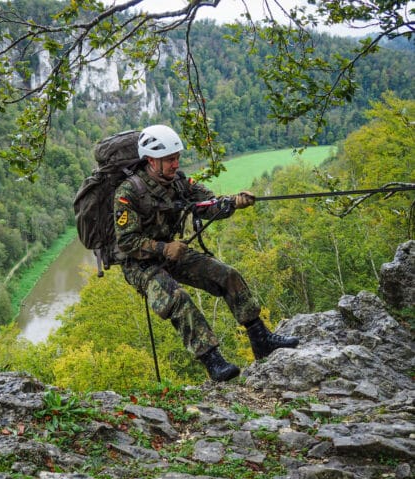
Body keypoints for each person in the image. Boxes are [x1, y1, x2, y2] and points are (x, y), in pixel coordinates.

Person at [113, 124, 299, 382]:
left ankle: (261, 338)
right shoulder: (128, 192)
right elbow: (126, 242)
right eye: (169, 160)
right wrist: (164, 248)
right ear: (151, 161)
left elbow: (208, 205)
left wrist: (233, 202)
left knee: (226, 275)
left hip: (172, 253)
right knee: (176, 298)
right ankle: (213, 361)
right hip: (139, 264)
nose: (175, 164)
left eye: (177, 158)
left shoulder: (178, 182)